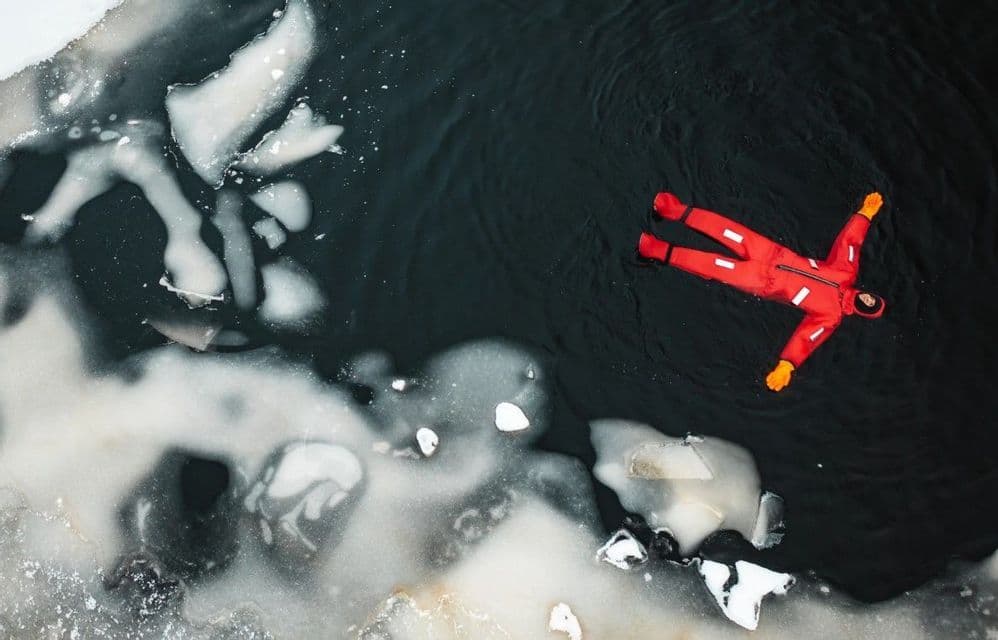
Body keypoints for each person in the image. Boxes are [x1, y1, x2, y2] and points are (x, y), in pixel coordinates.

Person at [637, 191, 885, 392]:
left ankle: (656, 250)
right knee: (725, 229)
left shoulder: (831, 316)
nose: (868, 299)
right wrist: (865, 215)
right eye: (873, 298)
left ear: (864, 312)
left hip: (762, 281)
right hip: (772, 253)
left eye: (870, 305)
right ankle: (674, 211)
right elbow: (850, 243)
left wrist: (787, 365)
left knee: (713, 265)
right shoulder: (846, 272)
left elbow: (807, 339)